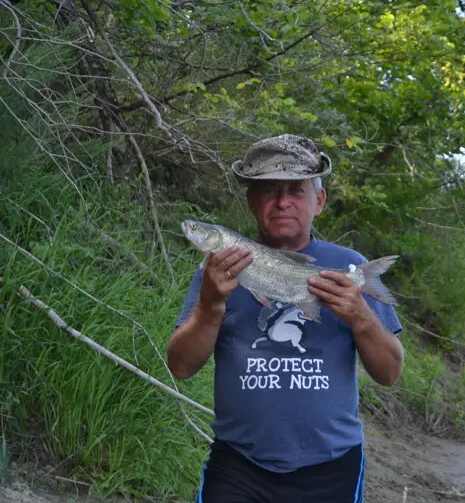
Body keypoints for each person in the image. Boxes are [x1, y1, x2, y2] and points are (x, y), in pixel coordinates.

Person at [167, 134, 404, 503]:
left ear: (319, 201)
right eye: (269, 191)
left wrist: (362, 317)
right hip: (238, 464)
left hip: (332, 465)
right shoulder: (218, 269)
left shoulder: (349, 265)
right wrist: (211, 304)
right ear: (251, 201)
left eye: (296, 191)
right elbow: (180, 366)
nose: (282, 203)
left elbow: (389, 373)